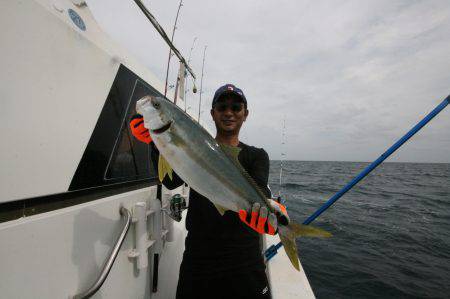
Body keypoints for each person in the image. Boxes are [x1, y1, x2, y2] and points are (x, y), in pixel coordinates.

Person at [130, 84, 288, 299]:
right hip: (199, 259)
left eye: (236, 107)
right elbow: (169, 181)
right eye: (222, 107)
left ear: (245, 114)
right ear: (213, 114)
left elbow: (260, 191)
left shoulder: (256, 155)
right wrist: (155, 145)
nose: (229, 112)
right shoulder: (191, 141)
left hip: (245, 260)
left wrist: (271, 214)